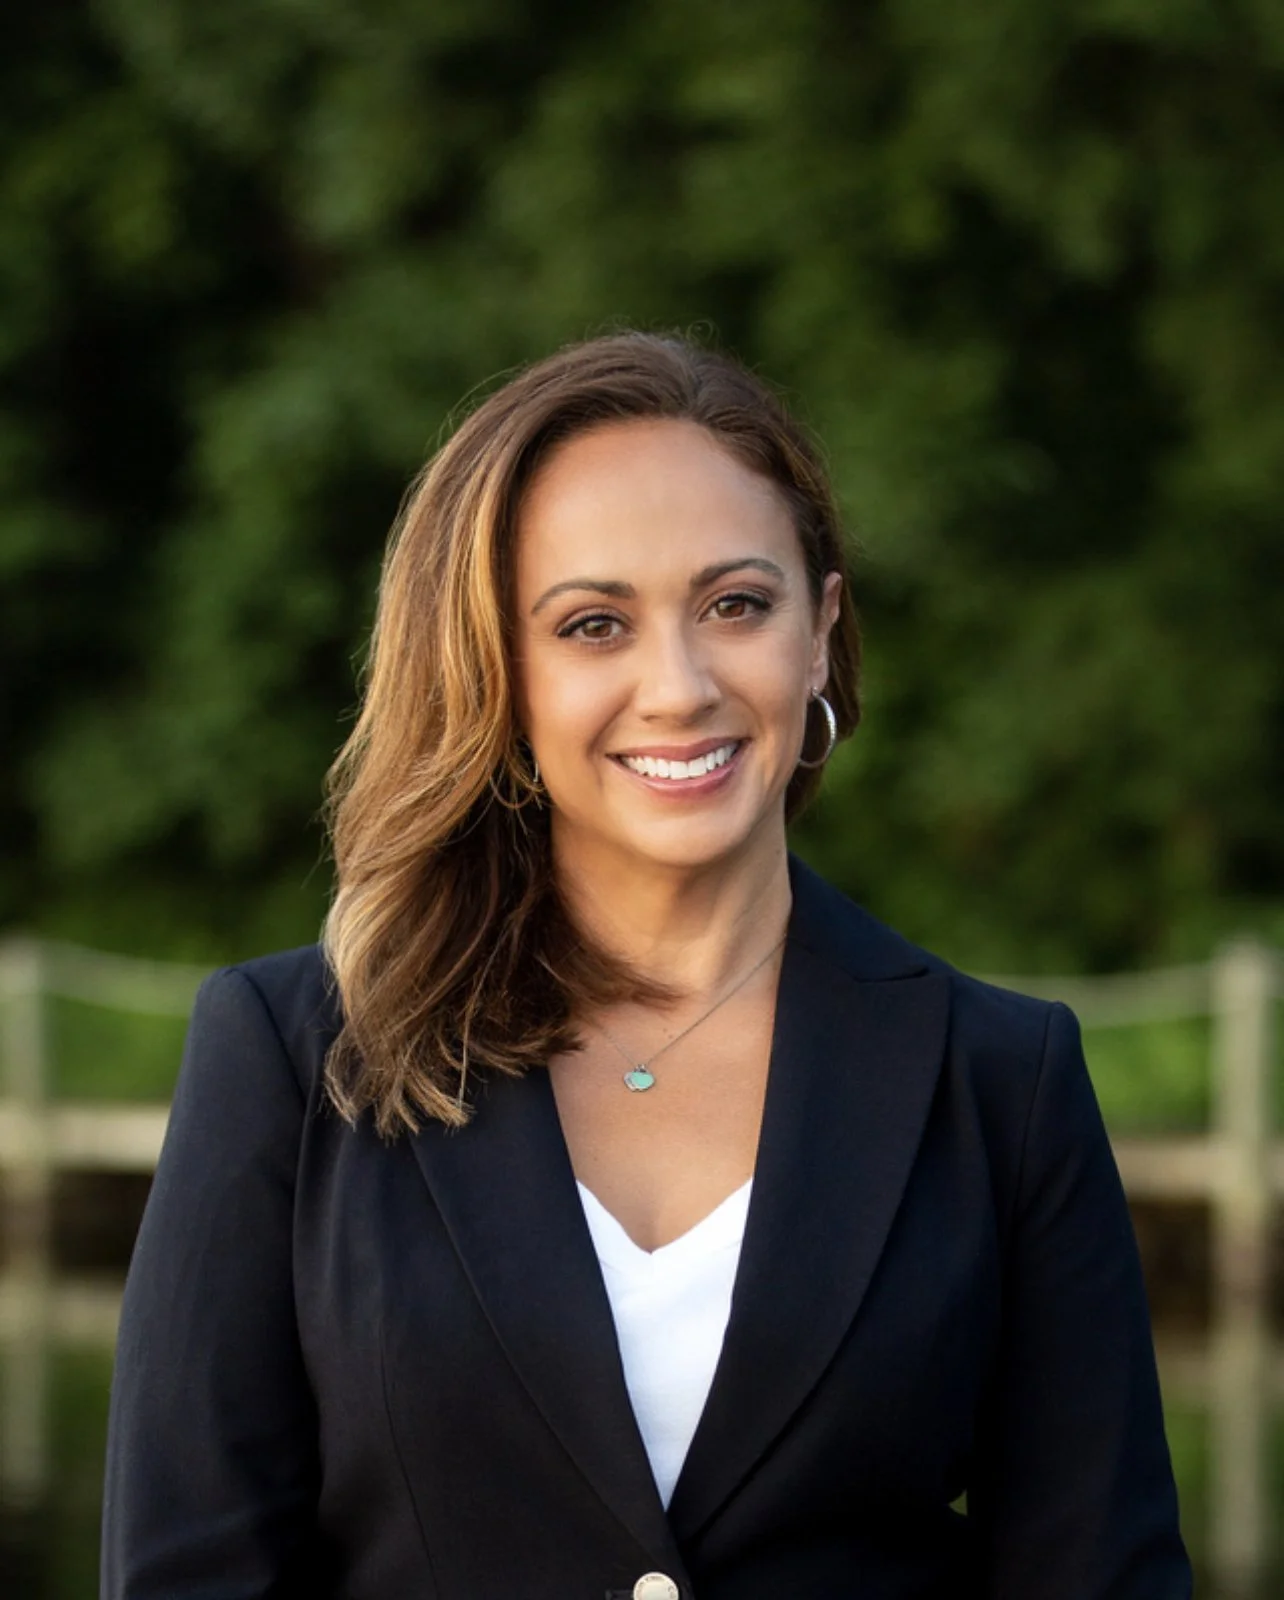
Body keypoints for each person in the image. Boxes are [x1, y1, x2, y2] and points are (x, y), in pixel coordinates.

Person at [101, 332, 1191, 1600]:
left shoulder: (1003, 1083)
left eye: (736, 604)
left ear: (822, 633)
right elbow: (191, 1571)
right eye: (594, 624)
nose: (676, 686)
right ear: (501, 675)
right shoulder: (290, 1059)